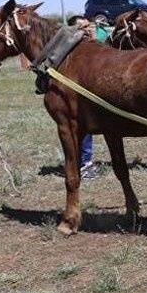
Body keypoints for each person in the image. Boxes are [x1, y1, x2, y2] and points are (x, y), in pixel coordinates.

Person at [66, 15, 103, 179]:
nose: (88, 30)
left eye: (89, 26)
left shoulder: (96, 46)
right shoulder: (73, 53)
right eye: (83, 28)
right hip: (80, 97)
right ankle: (84, 163)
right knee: (82, 126)